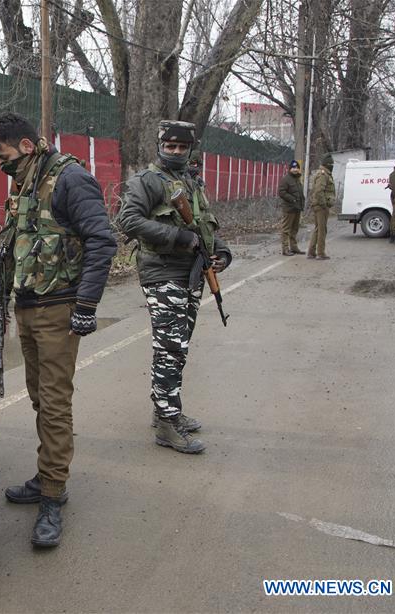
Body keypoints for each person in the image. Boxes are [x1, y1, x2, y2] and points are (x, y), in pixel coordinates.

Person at [0, 112, 117, 548]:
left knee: (55, 404)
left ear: (24, 145)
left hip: (58, 309)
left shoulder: (70, 179)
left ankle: (53, 496)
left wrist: (87, 306)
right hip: (29, 306)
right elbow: (19, 246)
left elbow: (102, 239)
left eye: (4, 158)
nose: (2, 167)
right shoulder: (25, 179)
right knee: (41, 398)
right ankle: (46, 476)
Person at [120, 120, 232, 455]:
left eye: (182, 147)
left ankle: (167, 411)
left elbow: (204, 224)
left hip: (191, 273)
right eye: (170, 146)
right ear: (160, 146)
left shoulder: (191, 182)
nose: (176, 152)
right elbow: (128, 220)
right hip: (162, 272)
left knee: (178, 347)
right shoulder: (146, 181)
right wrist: (178, 237)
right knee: (169, 347)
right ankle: (167, 424)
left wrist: (222, 251)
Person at [307, 155, 336, 260]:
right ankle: (320, 253)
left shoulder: (325, 173)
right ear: (327, 164)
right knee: (322, 230)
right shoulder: (323, 175)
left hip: (320, 205)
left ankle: (311, 252)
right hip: (321, 206)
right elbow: (319, 191)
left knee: (318, 229)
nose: (332, 166)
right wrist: (324, 204)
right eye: (331, 164)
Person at [277, 160, 306, 255]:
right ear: (290, 169)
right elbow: (281, 192)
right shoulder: (286, 179)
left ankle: (294, 247)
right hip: (289, 209)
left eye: (297, 168)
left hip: (297, 208)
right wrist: (292, 199)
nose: (295, 169)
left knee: (295, 229)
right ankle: (285, 249)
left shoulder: (297, 179)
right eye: (293, 168)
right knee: (286, 229)